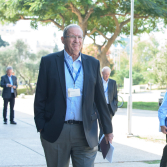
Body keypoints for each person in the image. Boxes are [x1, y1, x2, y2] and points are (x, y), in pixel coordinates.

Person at [34, 24, 113, 167]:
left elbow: (100, 100)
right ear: (63, 39)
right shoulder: (49, 62)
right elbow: (40, 96)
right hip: (56, 131)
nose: (76, 40)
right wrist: (41, 126)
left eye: (79, 37)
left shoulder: (93, 63)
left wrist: (108, 130)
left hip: (86, 133)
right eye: (72, 36)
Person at [98, 66, 118, 151]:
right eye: (105, 74)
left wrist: (114, 107)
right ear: (102, 73)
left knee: (107, 126)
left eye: (108, 74)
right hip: (100, 107)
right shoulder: (98, 81)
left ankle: (103, 146)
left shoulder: (113, 83)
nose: (107, 76)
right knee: (102, 126)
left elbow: (115, 97)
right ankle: (102, 146)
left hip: (109, 108)